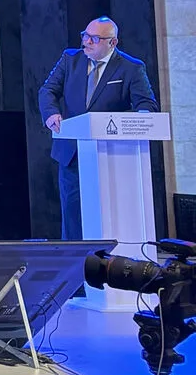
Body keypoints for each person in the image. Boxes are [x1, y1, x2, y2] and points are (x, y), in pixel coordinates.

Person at [37, 16, 157, 240]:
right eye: (85, 35)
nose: (87, 42)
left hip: (115, 156)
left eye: (94, 38)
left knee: (110, 216)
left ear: (113, 42)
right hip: (73, 154)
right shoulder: (70, 59)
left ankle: (112, 258)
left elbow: (147, 105)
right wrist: (51, 113)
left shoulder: (131, 68)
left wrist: (130, 122)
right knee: (74, 217)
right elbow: (47, 91)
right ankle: (75, 261)